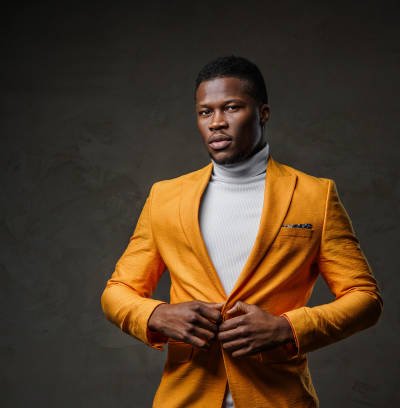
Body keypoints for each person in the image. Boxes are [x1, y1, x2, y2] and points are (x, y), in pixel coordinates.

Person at [101, 55, 382, 408]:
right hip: (185, 397)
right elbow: (117, 291)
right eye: (205, 112)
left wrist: (287, 328)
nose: (217, 122)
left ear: (262, 113)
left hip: (278, 398)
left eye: (231, 108)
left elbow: (365, 298)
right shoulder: (165, 197)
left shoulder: (316, 196)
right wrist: (156, 315)